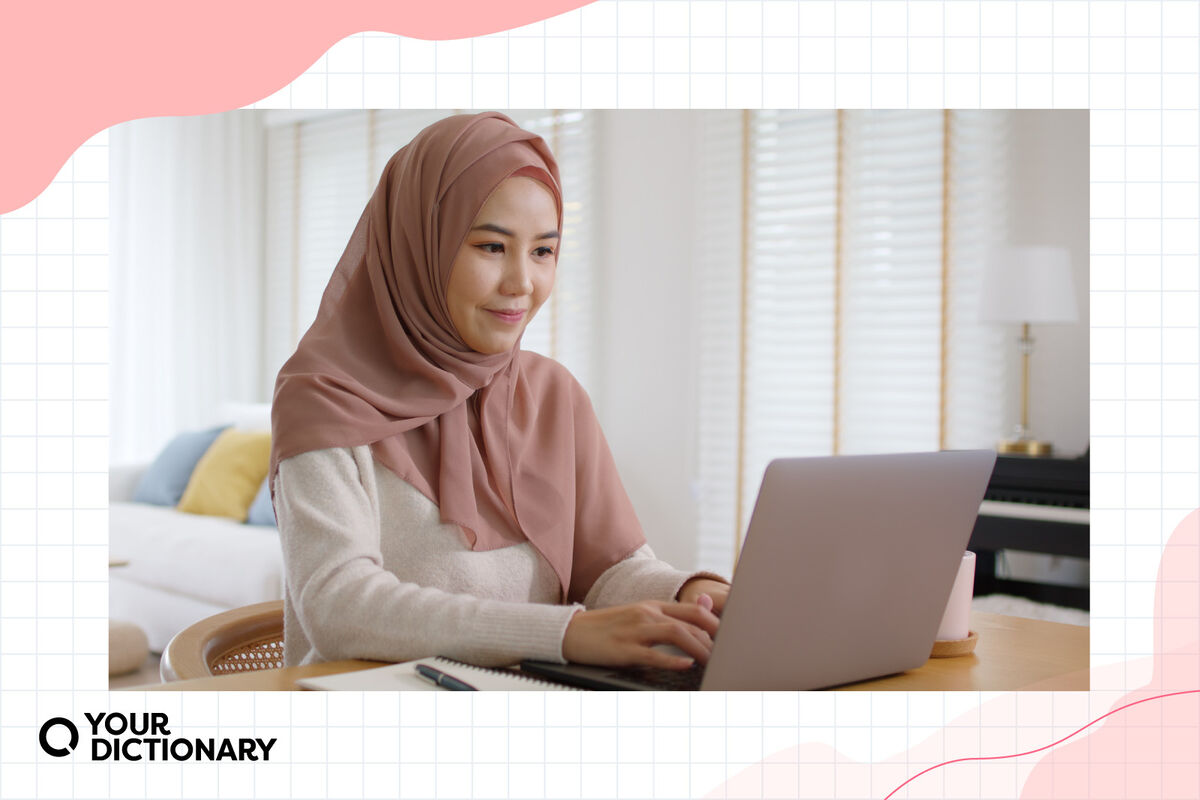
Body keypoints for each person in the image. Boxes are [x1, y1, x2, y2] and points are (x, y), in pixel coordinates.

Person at [269, 112, 729, 671]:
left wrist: (695, 597)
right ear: (420, 244)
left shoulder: (553, 396)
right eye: (491, 247)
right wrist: (564, 635)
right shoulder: (322, 398)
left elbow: (611, 572)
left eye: (542, 252)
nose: (522, 284)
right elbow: (340, 607)